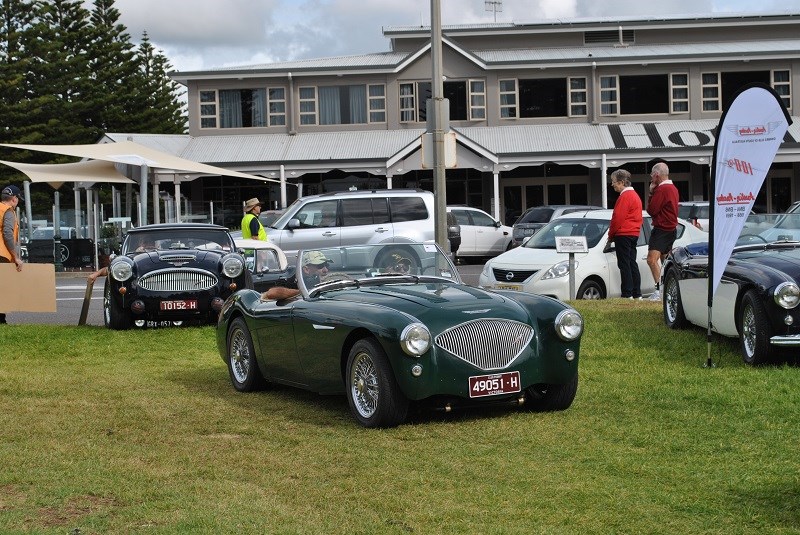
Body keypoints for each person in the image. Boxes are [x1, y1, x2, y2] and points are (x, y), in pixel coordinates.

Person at [607, 169, 643, 299]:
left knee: (624, 264)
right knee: (632, 262)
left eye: (614, 182)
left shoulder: (625, 197)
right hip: (634, 233)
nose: (612, 185)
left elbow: (617, 218)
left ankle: (627, 294)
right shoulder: (635, 196)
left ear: (622, 182)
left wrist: (611, 236)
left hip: (623, 234)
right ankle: (636, 293)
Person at [646, 162, 679, 301]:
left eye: (652, 176)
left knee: (651, 260)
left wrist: (651, 192)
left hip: (661, 230)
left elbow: (652, 210)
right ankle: (668, 290)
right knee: (665, 261)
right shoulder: (673, 188)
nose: (651, 179)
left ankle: (660, 290)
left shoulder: (662, 189)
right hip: (671, 229)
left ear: (657, 175)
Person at [0, 185, 25, 324]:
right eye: (18, 198)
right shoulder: (8, 211)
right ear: (14, 199)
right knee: (3, 287)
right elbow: (8, 234)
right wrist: (15, 256)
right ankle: (1, 319)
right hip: (1, 254)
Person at [262, 250, 330, 300]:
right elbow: (271, 293)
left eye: (326, 265)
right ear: (306, 269)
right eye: (320, 266)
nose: (326, 270)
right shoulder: (291, 276)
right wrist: (303, 292)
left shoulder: (314, 276)